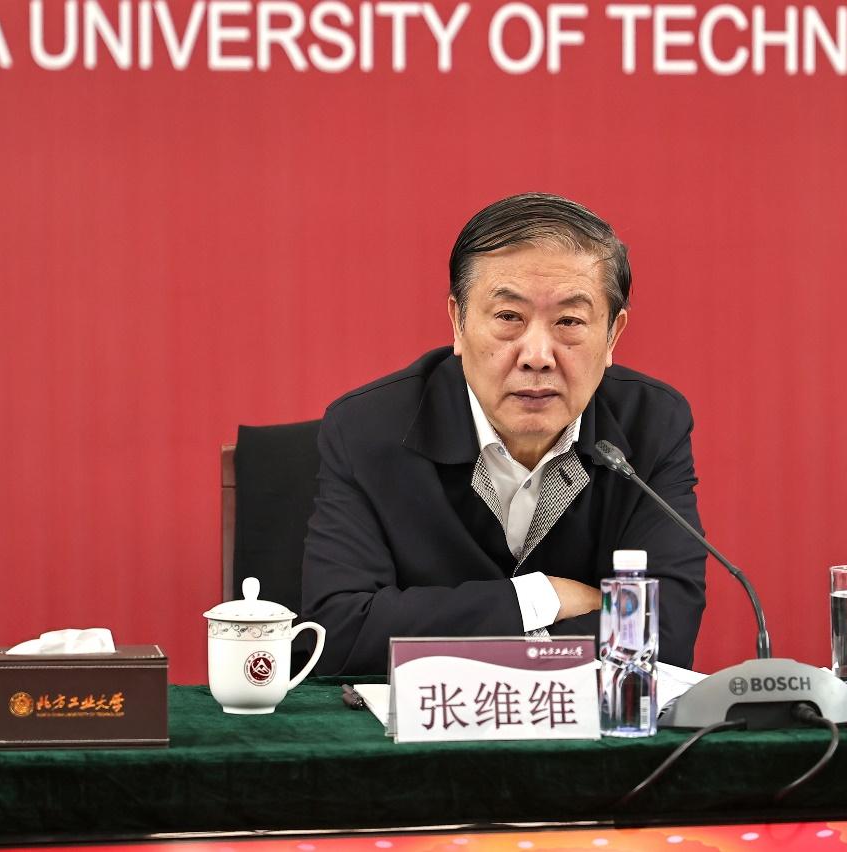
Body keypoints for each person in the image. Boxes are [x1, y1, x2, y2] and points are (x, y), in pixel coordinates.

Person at [301, 192, 707, 674]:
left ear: (612, 335)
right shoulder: (367, 429)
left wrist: (455, 636)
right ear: (458, 322)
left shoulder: (652, 425)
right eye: (509, 318)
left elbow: (663, 633)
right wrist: (540, 598)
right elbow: (339, 635)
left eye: (569, 321)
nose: (537, 355)